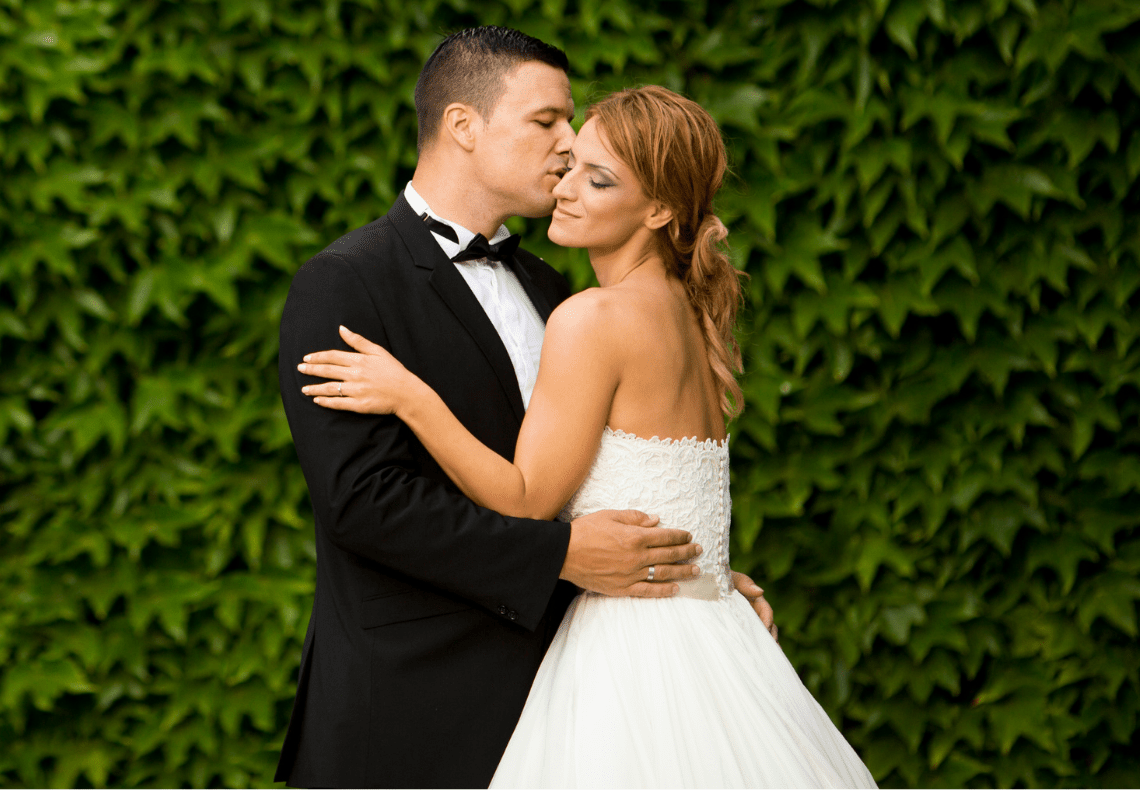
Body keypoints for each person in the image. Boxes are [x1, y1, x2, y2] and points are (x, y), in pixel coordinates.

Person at [299, 84, 874, 788]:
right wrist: (711, 575)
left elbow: (526, 498)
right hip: (710, 630)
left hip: (626, 655)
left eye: (596, 178)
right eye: (569, 163)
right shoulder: (694, 317)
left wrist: (413, 398)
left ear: (659, 209)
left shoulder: (588, 315)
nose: (565, 186)